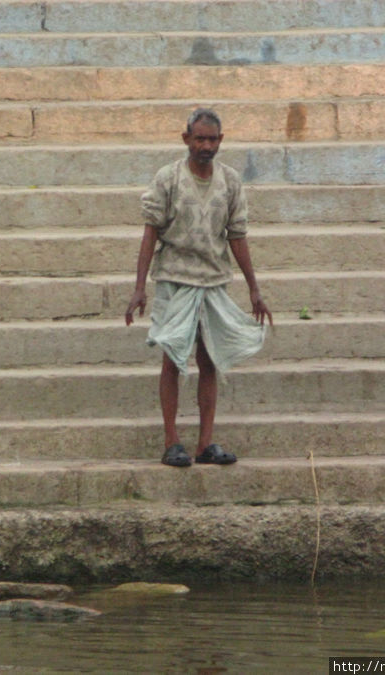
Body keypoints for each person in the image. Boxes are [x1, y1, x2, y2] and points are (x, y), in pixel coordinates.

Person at [125, 108, 272, 467]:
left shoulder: (231, 181)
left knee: (209, 361)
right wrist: (139, 286)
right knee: (172, 358)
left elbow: (237, 236)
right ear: (186, 139)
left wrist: (254, 288)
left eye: (212, 139)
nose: (205, 146)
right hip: (174, 279)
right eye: (199, 139)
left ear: (220, 141)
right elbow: (150, 233)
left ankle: (205, 443)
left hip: (213, 280)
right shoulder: (168, 178)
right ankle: (172, 440)